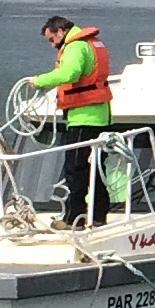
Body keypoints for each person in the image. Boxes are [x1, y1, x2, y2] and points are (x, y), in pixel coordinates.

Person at [24, 14, 114, 222]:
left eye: (52, 39)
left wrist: (39, 81)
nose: (52, 45)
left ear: (60, 31)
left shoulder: (75, 47)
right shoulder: (90, 43)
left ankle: (74, 217)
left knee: (75, 168)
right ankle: (98, 215)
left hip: (83, 117)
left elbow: (69, 74)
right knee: (95, 169)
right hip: (99, 115)